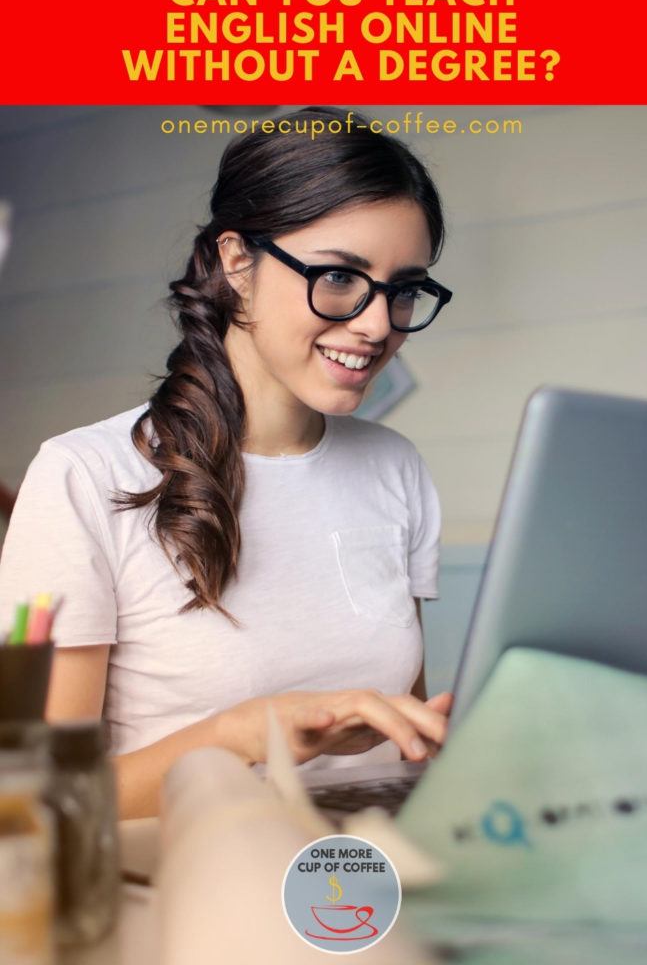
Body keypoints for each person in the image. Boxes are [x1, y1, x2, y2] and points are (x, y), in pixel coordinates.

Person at [0, 106, 455, 819]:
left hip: (369, 867)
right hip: (192, 882)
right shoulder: (83, 477)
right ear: (236, 261)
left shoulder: (393, 467)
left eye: (403, 289)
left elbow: (404, 733)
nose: (376, 324)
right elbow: (41, 797)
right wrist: (240, 735)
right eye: (339, 277)